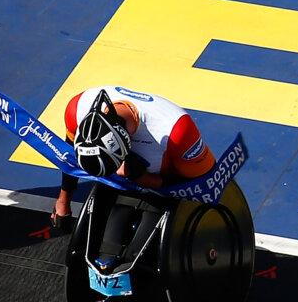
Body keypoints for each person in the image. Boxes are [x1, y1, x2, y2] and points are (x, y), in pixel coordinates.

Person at [51, 86, 216, 227]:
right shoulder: (78, 108)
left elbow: (205, 181)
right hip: (124, 180)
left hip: (165, 187)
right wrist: (63, 202)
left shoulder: (177, 132)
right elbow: (70, 162)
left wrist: (146, 179)